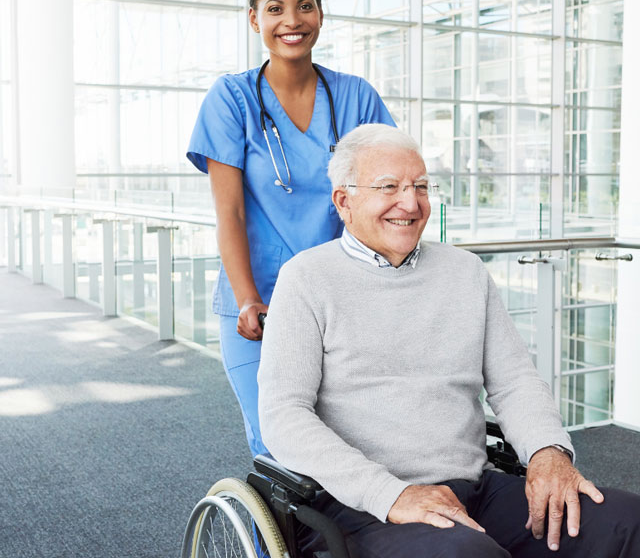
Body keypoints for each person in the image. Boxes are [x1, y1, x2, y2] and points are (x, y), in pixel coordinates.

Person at [258, 124, 640, 557]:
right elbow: (283, 416)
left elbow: (514, 381)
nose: (411, 202)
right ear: (344, 201)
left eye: (420, 186)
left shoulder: (466, 271)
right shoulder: (306, 279)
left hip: (474, 488)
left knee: (627, 522)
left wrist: (548, 451)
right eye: (390, 187)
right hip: (363, 505)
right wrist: (390, 494)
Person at [186, 0, 395, 457]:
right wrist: (245, 299)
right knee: (280, 447)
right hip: (259, 303)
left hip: (341, 299)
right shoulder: (231, 98)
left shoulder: (355, 97)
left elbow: (383, 197)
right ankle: (277, 541)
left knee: (353, 441)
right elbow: (230, 215)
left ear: (320, 14)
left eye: (305, 6)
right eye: (275, 8)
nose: (292, 21)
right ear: (255, 19)